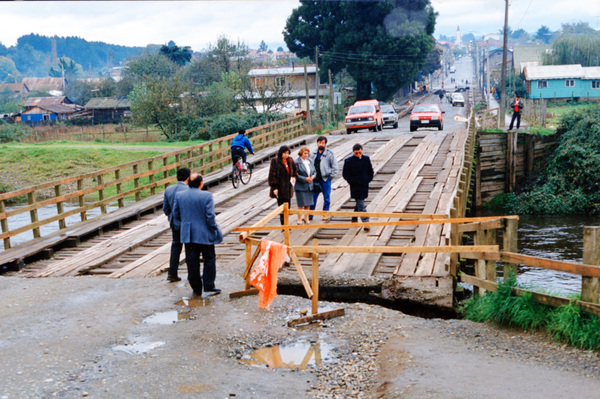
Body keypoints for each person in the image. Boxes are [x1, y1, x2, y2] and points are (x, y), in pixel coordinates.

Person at [172, 173, 223, 297]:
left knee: (192, 262)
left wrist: (184, 225)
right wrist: (214, 229)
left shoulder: (179, 195)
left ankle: (196, 288)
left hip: (188, 235)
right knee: (209, 259)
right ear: (201, 183)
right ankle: (209, 285)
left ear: (188, 182)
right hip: (204, 233)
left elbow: (176, 213)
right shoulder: (206, 195)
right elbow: (210, 216)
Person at [162, 167, 190, 282]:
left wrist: (172, 217)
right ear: (188, 178)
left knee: (175, 248)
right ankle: (191, 274)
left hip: (175, 223)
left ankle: (172, 273)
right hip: (187, 223)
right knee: (190, 249)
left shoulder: (168, 190)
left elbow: (165, 208)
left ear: (177, 177)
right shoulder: (189, 190)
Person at [342, 143, 374, 231]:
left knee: (360, 202)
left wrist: (368, 179)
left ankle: (354, 217)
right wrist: (352, 182)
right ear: (353, 152)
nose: (358, 154)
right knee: (361, 204)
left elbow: (370, 171)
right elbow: (345, 174)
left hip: (364, 184)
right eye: (356, 153)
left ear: (362, 151)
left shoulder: (366, 159)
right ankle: (366, 222)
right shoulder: (348, 161)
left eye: (360, 152)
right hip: (355, 186)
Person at [308, 136, 338, 222]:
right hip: (315, 179)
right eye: (319, 142)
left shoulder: (330, 154)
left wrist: (330, 177)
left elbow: (335, 167)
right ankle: (310, 214)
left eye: (323, 142)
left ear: (325, 144)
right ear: (317, 143)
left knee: (326, 197)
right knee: (313, 197)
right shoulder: (313, 153)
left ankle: (325, 213)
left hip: (325, 179)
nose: (321, 144)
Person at [268, 145, 298, 225]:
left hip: (288, 187)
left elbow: (295, 170)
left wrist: (295, 177)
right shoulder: (275, 161)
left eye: (288, 153)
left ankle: (286, 224)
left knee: (288, 207)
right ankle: (284, 225)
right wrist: (274, 187)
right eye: (284, 153)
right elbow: (272, 175)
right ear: (281, 153)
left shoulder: (290, 160)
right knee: (281, 207)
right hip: (280, 188)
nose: (286, 155)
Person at [294, 146, 316, 225]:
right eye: (305, 153)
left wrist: (313, 177)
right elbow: (295, 174)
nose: (306, 155)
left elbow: (314, 171)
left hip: (309, 185)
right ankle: (299, 218)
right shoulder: (297, 162)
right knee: (301, 204)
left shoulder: (310, 161)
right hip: (301, 185)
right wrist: (305, 179)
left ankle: (306, 218)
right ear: (301, 153)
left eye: (307, 153)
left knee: (308, 203)